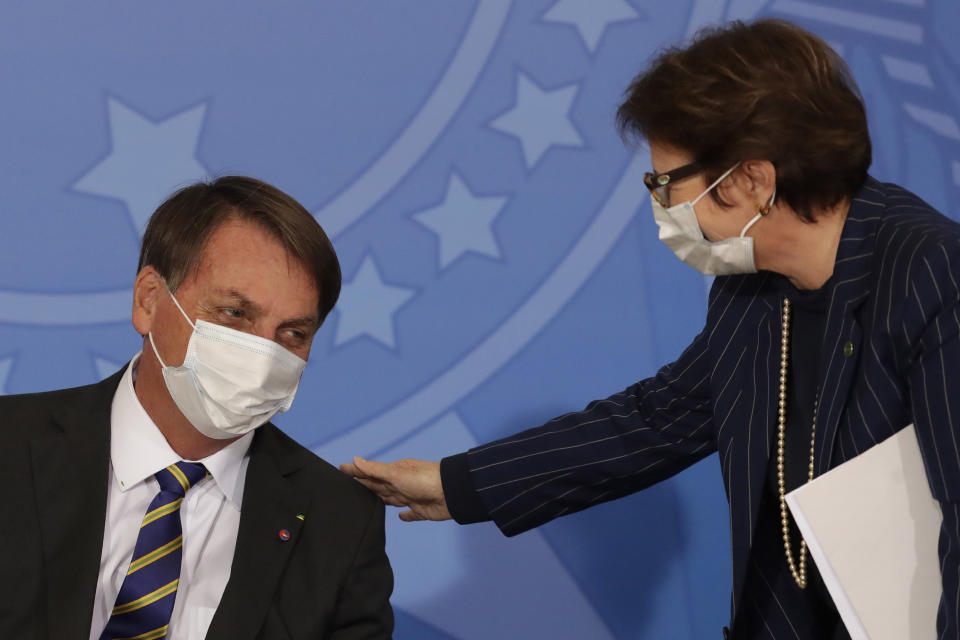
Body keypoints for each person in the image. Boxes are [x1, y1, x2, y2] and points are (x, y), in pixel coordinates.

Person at [341, 18, 960, 639]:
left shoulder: (933, 274)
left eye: (665, 183)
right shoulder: (748, 290)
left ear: (752, 182)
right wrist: (457, 485)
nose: (660, 207)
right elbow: (658, 419)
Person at [0, 176, 394, 639]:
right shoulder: (11, 445)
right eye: (234, 314)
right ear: (149, 300)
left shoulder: (339, 521)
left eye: (293, 334)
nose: (263, 354)